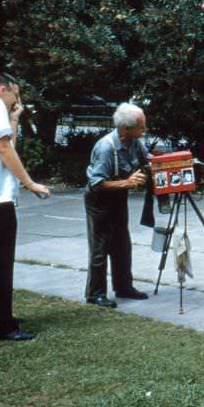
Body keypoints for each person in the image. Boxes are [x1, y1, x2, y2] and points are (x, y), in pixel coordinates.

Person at [0, 72, 51, 341]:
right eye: (15, 94)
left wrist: (13, 119)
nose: (17, 100)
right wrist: (29, 183)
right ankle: (0, 326)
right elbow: (4, 149)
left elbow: (6, 144)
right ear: (3, 89)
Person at [84, 103, 150, 308]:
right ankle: (95, 294)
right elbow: (96, 183)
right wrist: (127, 183)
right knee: (100, 248)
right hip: (99, 202)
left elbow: (146, 161)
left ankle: (124, 287)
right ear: (126, 129)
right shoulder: (106, 148)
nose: (144, 130)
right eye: (141, 126)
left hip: (118, 199)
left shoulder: (135, 143)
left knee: (122, 245)